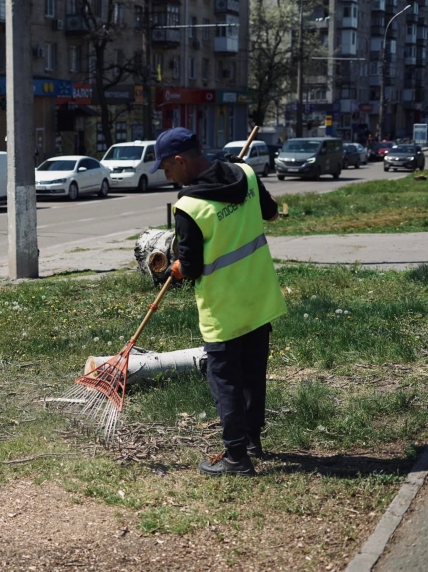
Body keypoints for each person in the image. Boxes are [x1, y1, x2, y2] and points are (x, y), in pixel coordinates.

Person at [151, 127, 287, 477]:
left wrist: (176, 269)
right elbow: (271, 214)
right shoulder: (246, 174)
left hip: (224, 311)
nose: (167, 176)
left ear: (180, 161)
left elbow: (193, 267)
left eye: (167, 168)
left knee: (224, 380)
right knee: (253, 376)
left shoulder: (189, 206)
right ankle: (253, 440)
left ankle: (237, 458)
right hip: (259, 299)